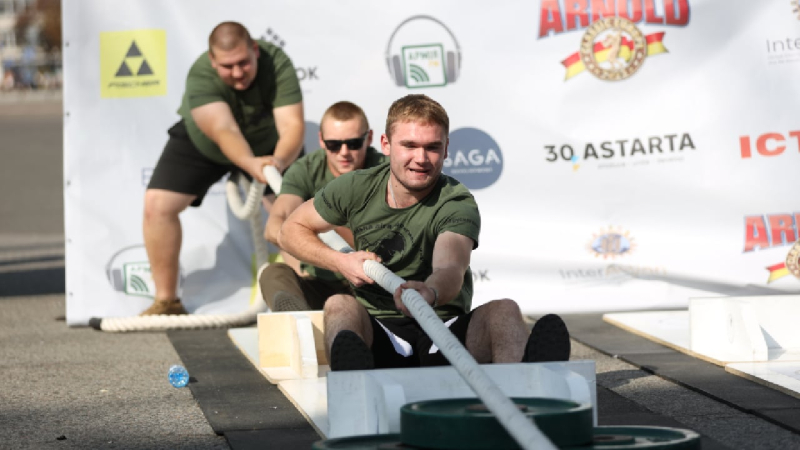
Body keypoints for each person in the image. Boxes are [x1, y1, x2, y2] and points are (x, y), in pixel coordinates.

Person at [279, 94, 570, 371]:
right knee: (339, 306)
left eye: (432, 147)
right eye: (409, 145)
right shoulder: (356, 186)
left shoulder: (456, 200)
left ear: (446, 149)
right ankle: (355, 394)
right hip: (380, 330)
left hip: (444, 330)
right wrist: (340, 262)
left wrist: (429, 291)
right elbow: (290, 230)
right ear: (385, 144)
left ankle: (526, 394)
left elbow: (451, 266)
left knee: (505, 312)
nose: (421, 158)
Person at [141, 21, 304, 315]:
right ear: (213, 62)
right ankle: (166, 301)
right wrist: (250, 163)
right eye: (228, 66)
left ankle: (306, 302)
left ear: (255, 50)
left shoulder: (276, 61)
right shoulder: (201, 75)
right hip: (207, 143)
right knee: (157, 204)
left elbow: (292, 125)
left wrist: (276, 163)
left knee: (294, 215)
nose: (238, 72)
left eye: (244, 62)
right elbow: (223, 130)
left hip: (270, 146)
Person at [259, 101, 386, 311]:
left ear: (369, 138)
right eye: (334, 145)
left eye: (353, 143)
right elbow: (273, 227)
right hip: (321, 278)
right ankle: (299, 325)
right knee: (273, 274)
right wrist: (324, 254)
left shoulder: (386, 172)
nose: (344, 152)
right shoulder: (306, 169)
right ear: (321, 140)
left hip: (372, 280)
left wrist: (310, 226)